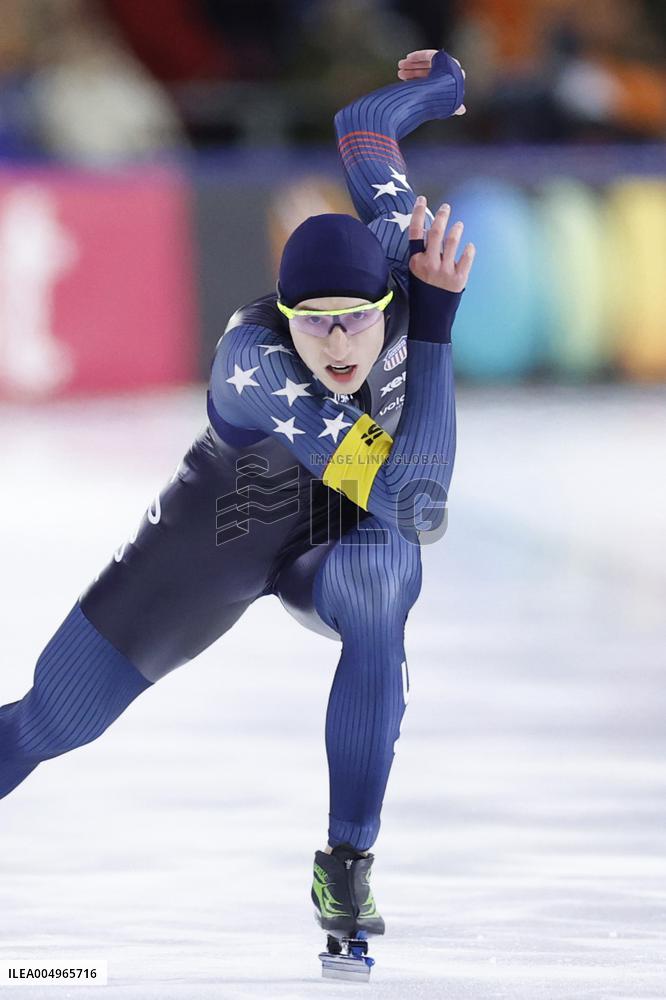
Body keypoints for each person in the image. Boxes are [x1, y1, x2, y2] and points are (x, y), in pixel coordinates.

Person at [0, 48, 474, 938]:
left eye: (358, 321)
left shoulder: (402, 246)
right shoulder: (257, 366)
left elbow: (362, 127)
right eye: (315, 327)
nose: (340, 346)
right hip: (216, 540)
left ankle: (345, 863)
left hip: (330, 542)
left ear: (387, 295)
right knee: (50, 722)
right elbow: (418, 498)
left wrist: (445, 84)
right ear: (286, 320)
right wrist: (437, 328)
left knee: (381, 581)